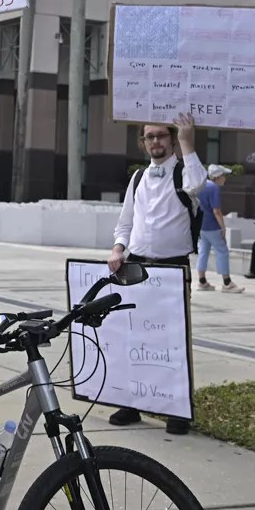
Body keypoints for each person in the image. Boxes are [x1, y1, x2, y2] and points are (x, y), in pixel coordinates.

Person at [108, 113, 205, 435]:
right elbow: (126, 222)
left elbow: (198, 184)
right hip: (137, 265)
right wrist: (118, 249)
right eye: (150, 137)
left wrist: (188, 143)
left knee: (173, 339)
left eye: (162, 136)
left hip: (172, 266)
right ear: (143, 141)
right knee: (136, 336)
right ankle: (134, 402)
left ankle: (177, 409)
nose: (155, 142)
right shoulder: (137, 178)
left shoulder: (185, 172)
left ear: (172, 138)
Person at [195, 164, 245, 294]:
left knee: (203, 252)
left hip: (201, 225)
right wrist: (223, 227)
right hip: (212, 226)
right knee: (222, 251)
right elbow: (216, 210)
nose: (225, 179)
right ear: (218, 176)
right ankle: (227, 282)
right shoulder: (214, 188)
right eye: (224, 176)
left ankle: (201, 281)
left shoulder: (200, 185)